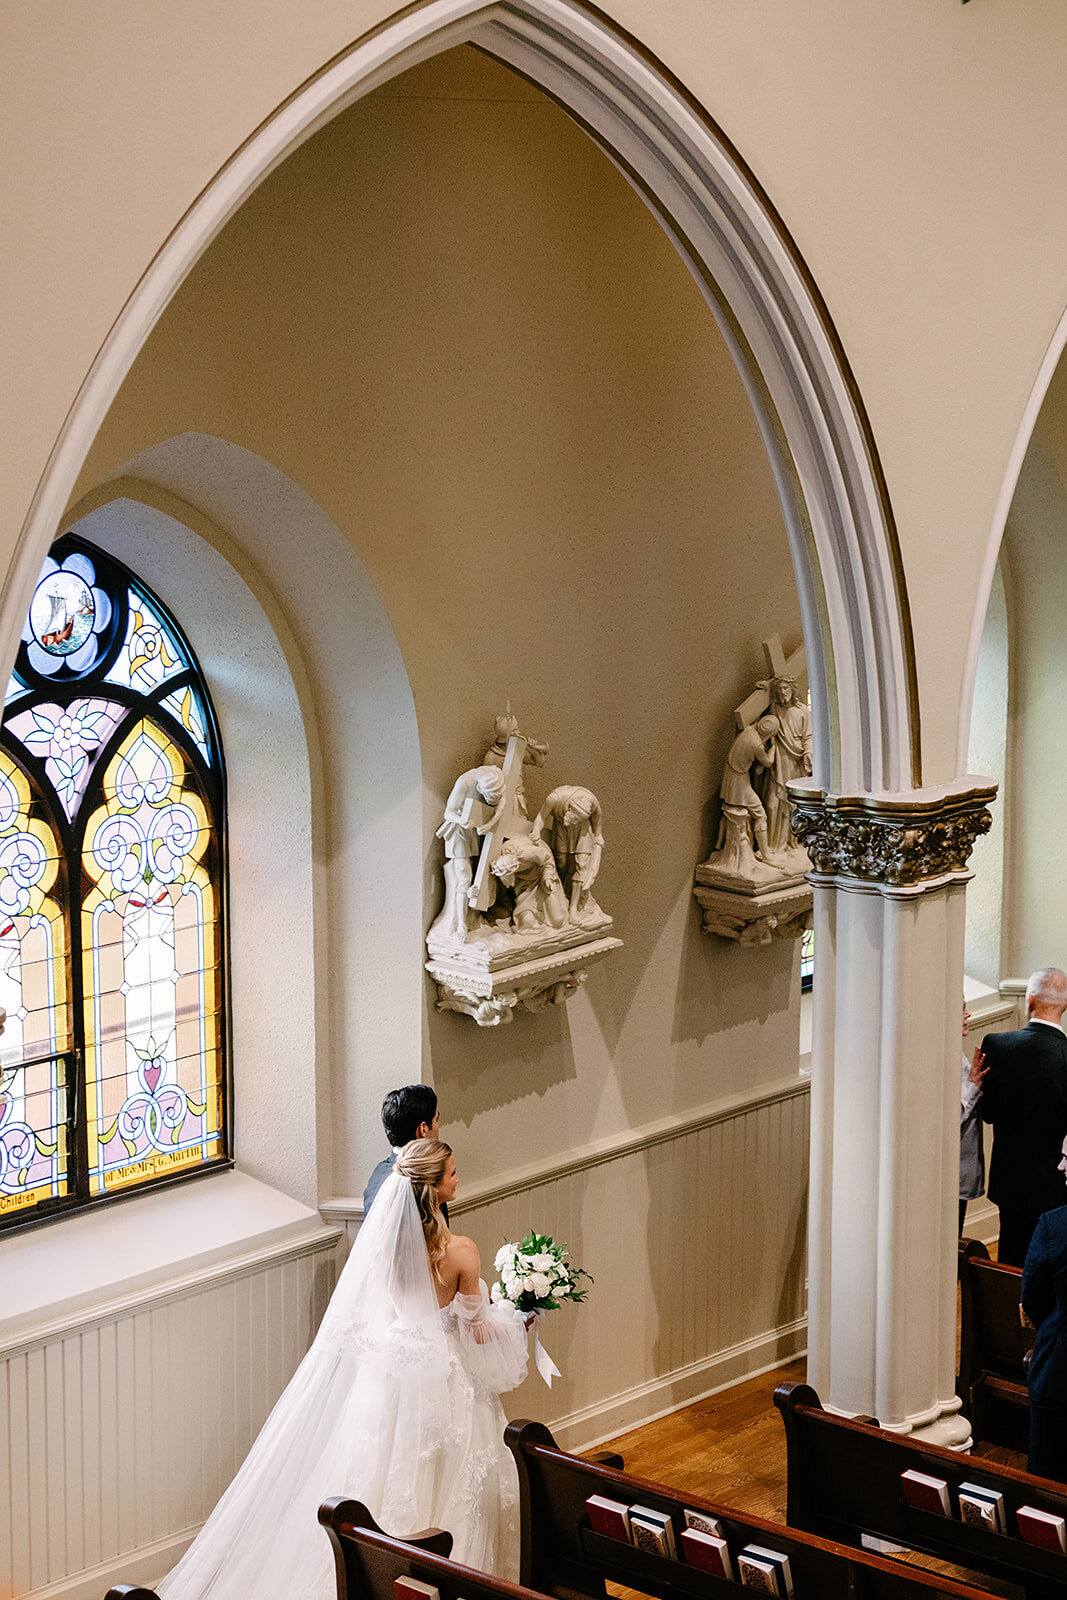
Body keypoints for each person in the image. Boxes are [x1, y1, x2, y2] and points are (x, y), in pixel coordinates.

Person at [157, 1140, 529, 1600]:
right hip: (445, 1378)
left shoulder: (383, 1246)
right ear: (433, 1190)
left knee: (381, 1468)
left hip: (392, 1374)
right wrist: (518, 1315)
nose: (458, 1178)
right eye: (451, 1173)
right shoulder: (462, 1252)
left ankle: (372, 1575)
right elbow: (476, 1332)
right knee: (456, 1474)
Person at [973, 967, 1067, 1266]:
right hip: (1056, 1187)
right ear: (1064, 1007)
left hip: (1009, 1181)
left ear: (1028, 1002)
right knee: (1052, 1267)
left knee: (1012, 1261)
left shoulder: (996, 1045)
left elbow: (987, 1114)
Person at [1022, 1204, 1067, 1483]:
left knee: (1047, 1483)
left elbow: (1033, 1297)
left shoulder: (1055, 1224)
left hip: (1060, 1368)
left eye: (1066, 1158)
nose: (1060, 1167)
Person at [363, 1084, 440, 1216]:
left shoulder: (378, 1173)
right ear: (423, 1129)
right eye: (437, 1120)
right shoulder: (426, 1179)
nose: (439, 1127)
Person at [756, 675, 812, 856]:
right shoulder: (774, 708)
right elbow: (763, 724)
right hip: (778, 758)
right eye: (779, 690)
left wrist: (808, 752)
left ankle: (792, 840)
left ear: (793, 689)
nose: (782, 693)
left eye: (785, 689)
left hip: (795, 759)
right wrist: (764, 688)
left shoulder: (802, 710)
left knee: (793, 803)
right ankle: (772, 845)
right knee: (772, 803)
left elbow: (809, 736)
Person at [959, 1000, 985, 1236]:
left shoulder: (958, 1055)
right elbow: (949, 1120)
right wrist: (973, 1086)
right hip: (948, 1178)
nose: (967, 1014)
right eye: (961, 1008)